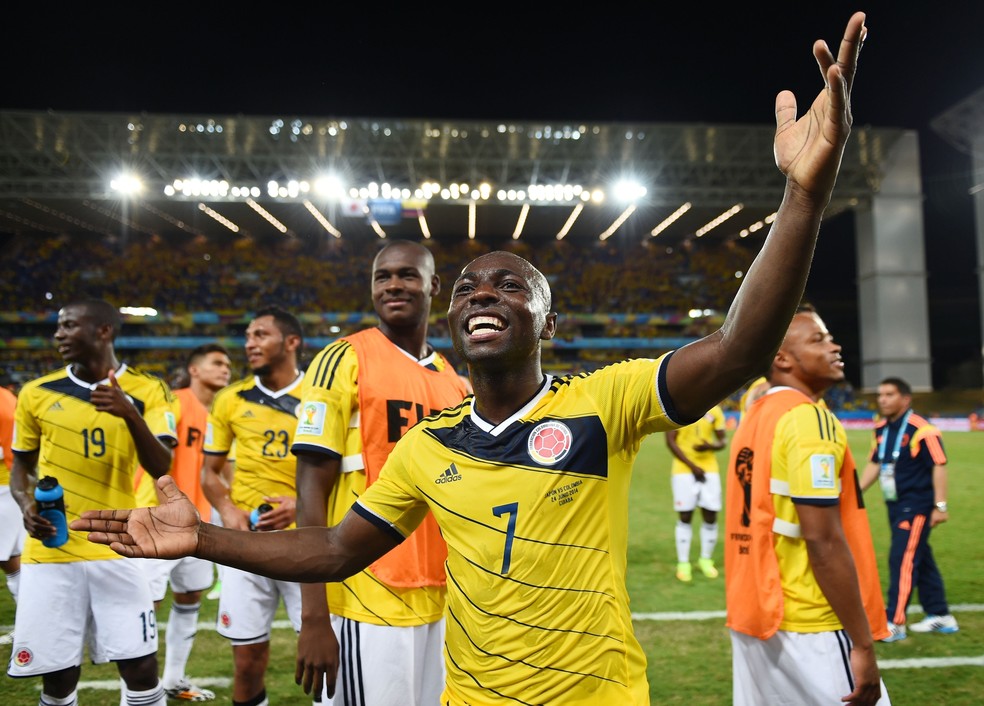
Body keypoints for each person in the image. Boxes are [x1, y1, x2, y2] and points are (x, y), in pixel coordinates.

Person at [71, 12, 869, 704]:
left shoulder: (605, 403)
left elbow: (737, 349)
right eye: (466, 289)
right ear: (451, 321)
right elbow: (336, 548)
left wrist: (802, 197)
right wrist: (203, 538)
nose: (481, 293)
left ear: (549, 322)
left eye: (509, 285)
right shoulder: (429, 445)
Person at [291, 239, 471, 704]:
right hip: (365, 595)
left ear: (433, 285)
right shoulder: (343, 359)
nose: (393, 285)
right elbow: (310, 487)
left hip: (439, 595)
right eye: (382, 276)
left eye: (407, 275)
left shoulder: (454, 382)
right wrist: (314, 616)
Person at [9, 298, 177, 706]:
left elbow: (161, 466)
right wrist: (26, 503)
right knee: (58, 677)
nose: (58, 335)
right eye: (59, 326)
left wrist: (130, 414)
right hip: (52, 552)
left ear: (104, 331)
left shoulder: (149, 390)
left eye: (69, 326)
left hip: (118, 546)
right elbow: (21, 468)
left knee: (141, 669)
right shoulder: (36, 393)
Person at [724, 305, 891, 706]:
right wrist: (862, 642)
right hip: (811, 621)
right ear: (782, 359)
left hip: (755, 613)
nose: (834, 346)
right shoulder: (807, 419)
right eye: (818, 339)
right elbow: (823, 540)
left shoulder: (756, 413)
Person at [200, 306, 305, 706]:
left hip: (308, 543)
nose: (249, 343)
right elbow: (210, 473)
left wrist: (300, 505)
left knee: (322, 656)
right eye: (247, 336)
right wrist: (227, 510)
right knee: (245, 663)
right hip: (247, 543)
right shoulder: (229, 399)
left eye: (260, 334)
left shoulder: (321, 396)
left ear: (291, 342)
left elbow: (345, 472)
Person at [133, 343, 233, 701]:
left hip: (199, 521)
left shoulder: (222, 412)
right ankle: (138, 690)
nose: (225, 369)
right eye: (217, 363)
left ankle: (174, 679)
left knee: (190, 595)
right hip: (158, 519)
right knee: (146, 602)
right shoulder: (172, 403)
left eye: (228, 364)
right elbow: (152, 458)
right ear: (194, 369)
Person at [860, 376, 958, 643]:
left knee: (902, 559)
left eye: (889, 395)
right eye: (880, 394)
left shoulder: (923, 429)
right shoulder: (881, 429)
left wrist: (940, 506)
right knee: (920, 557)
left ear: (905, 399)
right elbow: (875, 463)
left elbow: (939, 465)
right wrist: (854, 492)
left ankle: (895, 622)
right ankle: (940, 614)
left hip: (917, 506)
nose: (882, 399)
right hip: (895, 503)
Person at [666, 402, 726, 582]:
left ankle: (705, 560)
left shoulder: (715, 411)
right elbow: (670, 441)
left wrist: (712, 446)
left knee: (711, 514)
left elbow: (723, 440)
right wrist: (692, 466)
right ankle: (683, 564)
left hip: (709, 469)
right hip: (683, 470)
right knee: (685, 515)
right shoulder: (680, 406)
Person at [0, 368, 24, 644]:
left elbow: (12, 452)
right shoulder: (9, 400)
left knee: (9, 559)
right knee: (13, 559)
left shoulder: (4, 403)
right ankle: (29, 621)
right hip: (11, 487)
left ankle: (28, 623)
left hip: (6, 487)